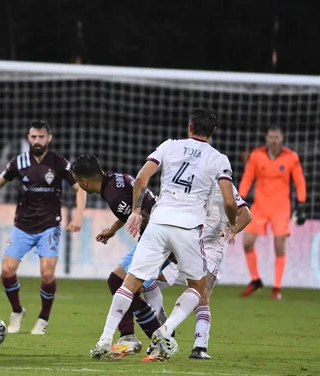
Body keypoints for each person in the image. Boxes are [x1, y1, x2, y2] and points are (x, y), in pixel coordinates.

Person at [91, 107, 238, 362]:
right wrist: (232, 224)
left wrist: (136, 211)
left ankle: (105, 338)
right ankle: (165, 332)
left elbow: (141, 177)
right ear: (213, 131)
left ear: (189, 126)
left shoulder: (169, 146)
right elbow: (229, 201)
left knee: (130, 283)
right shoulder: (218, 159)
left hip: (158, 222)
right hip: (189, 228)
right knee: (197, 287)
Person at [0, 120, 87, 335]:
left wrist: (78, 217)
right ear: (29, 138)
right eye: (34, 137)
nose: (37, 141)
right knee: (7, 270)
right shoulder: (19, 162)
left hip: (49, 226)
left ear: (49, 138)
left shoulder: (58, 162)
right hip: (23, 226)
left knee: (47, 274)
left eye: (41, 137)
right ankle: (17, 311)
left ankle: (43, 319)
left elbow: (80, 189)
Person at [70, 153, 166, 358]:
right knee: (124, 285)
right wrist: (113, 229)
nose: (80, 187)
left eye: (79, 183)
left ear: (85, 181)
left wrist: (156, 253)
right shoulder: (115, 180)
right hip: (157, 235)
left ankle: (160, 338)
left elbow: (144, 216)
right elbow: (133, 208)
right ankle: (130, 336)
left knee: (121, 282)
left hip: (157, 239)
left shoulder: (113, 196)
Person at [159, 182, 252, 359]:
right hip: (185, 244)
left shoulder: (224, 185)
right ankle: (165, 333)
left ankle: (200, 346)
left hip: (212, 248)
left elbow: (246, 214)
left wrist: (231, 230)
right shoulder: (186, 180)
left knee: (202, 294)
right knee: (150, 282)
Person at [238, 125, 306, 300]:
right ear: (266, 138)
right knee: (247, 243)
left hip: (281, 209)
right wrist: (240, 199)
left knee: (279, 246)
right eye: (271, 137)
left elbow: (299, 182)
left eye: (276, 137)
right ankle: (255, 280)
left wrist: (301, 204)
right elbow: (247, 178)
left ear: (282, 139)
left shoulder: (291, 158)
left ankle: (276, 288)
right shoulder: (256, 156)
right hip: (260, 207)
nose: (273, 140)